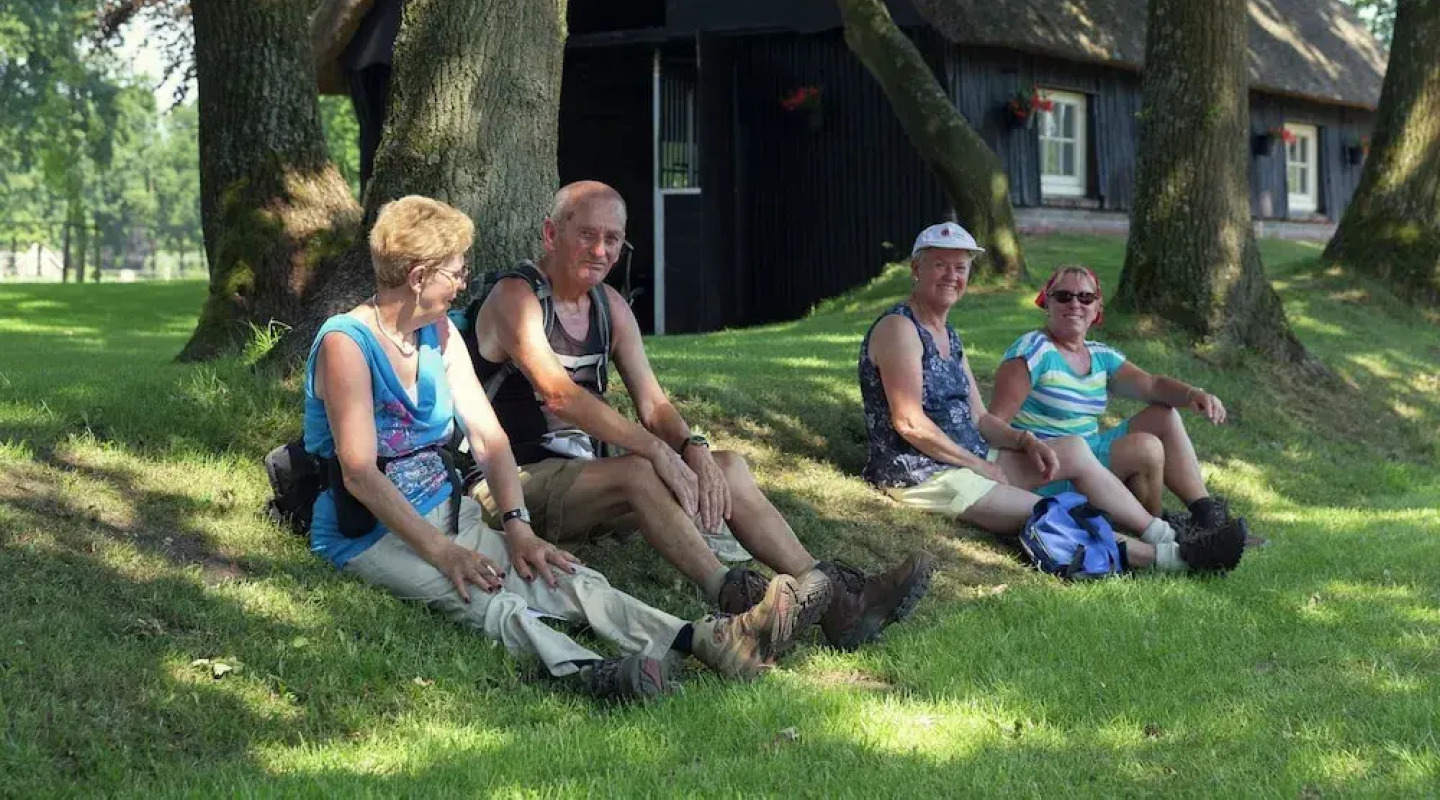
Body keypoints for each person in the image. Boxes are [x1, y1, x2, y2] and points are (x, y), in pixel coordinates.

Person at [303, 194, 833, 704]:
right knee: (493, 602)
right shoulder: (346, 344)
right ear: (419, 277)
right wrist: (445, 553)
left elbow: (489, 437)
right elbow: (359, 474)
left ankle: (703, 641)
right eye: (456, 272)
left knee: (564, 576)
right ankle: (590, 672)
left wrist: (518, 527)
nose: (464, 283)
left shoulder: (436, 331)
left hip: (451, 512)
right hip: (370, 535)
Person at [466, 180, 933, 649]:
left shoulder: (610, 307)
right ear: (551, 234)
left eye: (613, 240)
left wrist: (693, 448)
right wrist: (653, 449)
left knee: (727, 467)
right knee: (638, 471)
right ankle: (738, 605)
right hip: (513, 484)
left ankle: (836, 602)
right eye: (587, 235)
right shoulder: (517, 296)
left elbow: (654, 405)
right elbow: (559, 394)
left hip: (588, 479)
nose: (601, 250)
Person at [860, 222, 1246, 575]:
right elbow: (908, 421)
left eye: (960, 268)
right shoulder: (900, 328)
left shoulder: (949, 336)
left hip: (968, 460)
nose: (952, 276)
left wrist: (1023, 442)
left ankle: (1167, 534)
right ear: (916, 269)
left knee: (1074, 450)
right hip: (922, 474)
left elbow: (980, 418)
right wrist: (976, 463)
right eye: (940, 265)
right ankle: (1178, 560)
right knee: (1052, 512)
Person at [989, 264, 1248, 534]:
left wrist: (1192, 394)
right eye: (1063, 296)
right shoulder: (1031, 353)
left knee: (1163, 416)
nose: (1075, 303)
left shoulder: (1099, 355)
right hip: (1052, 467)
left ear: (1097, 308)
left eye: (1085, 297)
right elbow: (993, 424)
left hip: (1089, 451)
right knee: (1145, 448)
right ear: (1047, 302)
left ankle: (1208, 517)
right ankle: (1160, 533)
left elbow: (1151, 385)